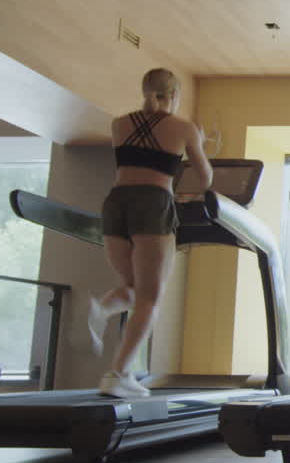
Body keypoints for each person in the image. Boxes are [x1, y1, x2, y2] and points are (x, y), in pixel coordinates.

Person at [90, 68, 212, 399]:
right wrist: (195, 144)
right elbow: (204, 177)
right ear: (173, 96)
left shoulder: (118, 124)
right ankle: (118, 373)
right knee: (150, 298)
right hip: (153, 203)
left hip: (115, 204)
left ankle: (102, 308)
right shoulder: (183, 127)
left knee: (133, 289)